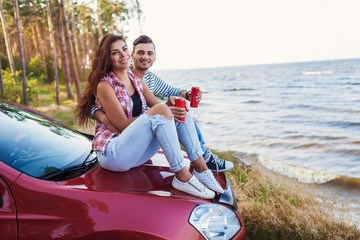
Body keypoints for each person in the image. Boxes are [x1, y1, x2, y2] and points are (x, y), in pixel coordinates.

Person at [75, 33, 224, 199]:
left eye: (124, 49)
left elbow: (157, 107)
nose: (123, 54)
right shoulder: (105, 85)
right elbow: (123, 125)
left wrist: (170, 105)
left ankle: (201, 168)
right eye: (115, 52)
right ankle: (182, 176)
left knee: (178, 108)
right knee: (163, 111)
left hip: (136, 153)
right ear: (108, 59)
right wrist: (161, 110)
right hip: (114, 153)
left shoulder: (134, 79)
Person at [92, 35, 234, 172]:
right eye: (140, 53)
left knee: (180, 109)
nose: (145, 57)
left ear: (154, 57)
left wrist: (186, 95)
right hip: (125, 138)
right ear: (133, 55)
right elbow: (91, 104)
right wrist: (104, 119)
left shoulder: (149, 79)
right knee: (170, 113)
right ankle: (196, 163)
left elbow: (170, 91)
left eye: (149, 53)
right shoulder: (114, 79)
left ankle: (202, 159)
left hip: (143, 134)